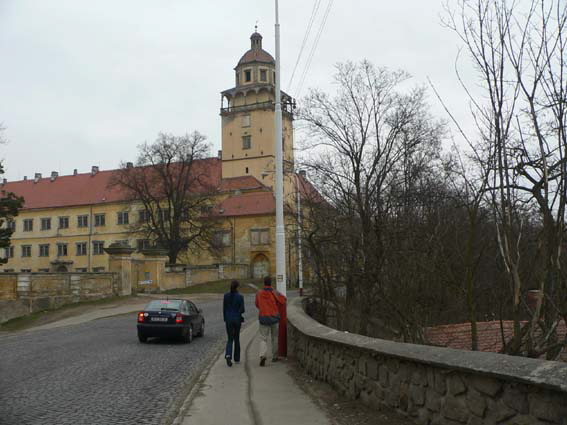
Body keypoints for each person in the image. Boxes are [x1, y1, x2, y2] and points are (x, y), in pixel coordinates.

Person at [255, 276, 286, 366]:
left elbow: (257, 304)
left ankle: (262, 355)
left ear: (264, 283)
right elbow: (283, 300)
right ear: (270, 283)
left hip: (263, 318)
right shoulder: (274, 292)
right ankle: (275, 356)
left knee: (263, 338)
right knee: (274, 337)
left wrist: (263, 308)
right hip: (274, 317)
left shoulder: (259, 293)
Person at [223, 280, 245, 367]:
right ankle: (236, 358)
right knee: (236, 338)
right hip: (237, 319)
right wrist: (238, 313)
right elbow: (242, 309)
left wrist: (225, 319)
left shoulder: (226, 296)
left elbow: (224, 309)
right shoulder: (240, 297)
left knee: (230, 338)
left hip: (228, 319)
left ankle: (228, 355)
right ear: (237, 287)